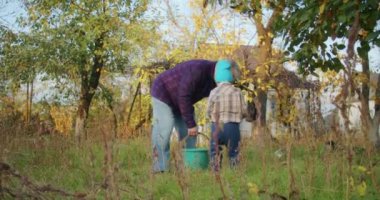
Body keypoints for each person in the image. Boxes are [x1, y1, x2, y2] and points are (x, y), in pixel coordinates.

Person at [151, 59, 235, 173]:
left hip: (181, 100)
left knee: (189, 134)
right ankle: (159, 169)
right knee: (164, 129)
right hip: (163, 92)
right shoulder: (197, 70)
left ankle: (188, 166)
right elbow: (184, 96)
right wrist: (191, 124)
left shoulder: (216, 82)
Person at [206, 59, 251, 171]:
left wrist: (210, 116)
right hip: (233, 127)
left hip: (216, 127)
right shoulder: (237, 92)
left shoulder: (214, 92)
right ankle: (235, 172)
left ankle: (215, 173)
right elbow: (244, 110)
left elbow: (208, 110)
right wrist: (243, 116)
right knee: (234, 151)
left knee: (214, 151)